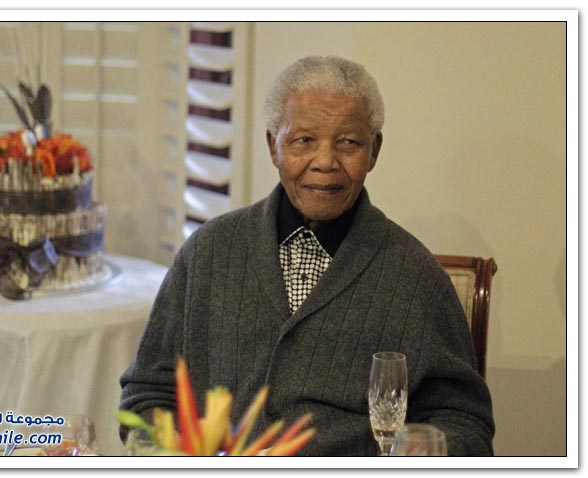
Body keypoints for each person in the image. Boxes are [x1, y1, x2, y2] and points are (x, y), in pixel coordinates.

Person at [119, 56, 495, 456]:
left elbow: (465, 422)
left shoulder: (414, 275)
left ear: (374, 151)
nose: (325, 162)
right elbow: (148, 393)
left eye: (348, 143)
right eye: (303, 141)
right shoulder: (208, 252)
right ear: (273, 146)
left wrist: (422, 452)